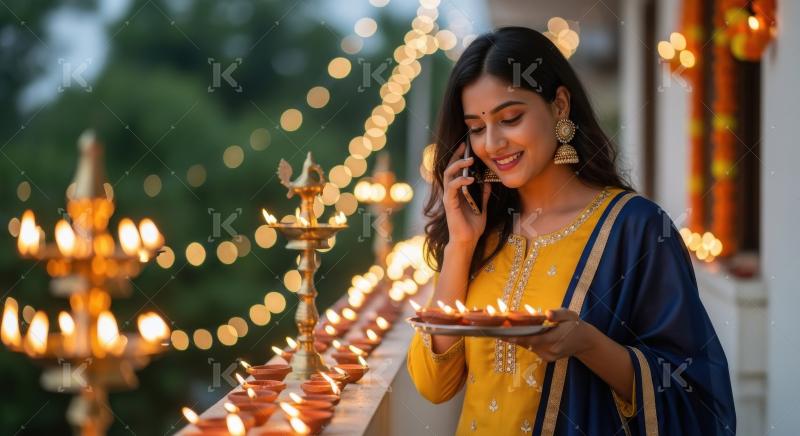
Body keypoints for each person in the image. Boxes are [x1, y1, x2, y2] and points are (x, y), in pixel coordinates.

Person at [406, 26, 735, 435]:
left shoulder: (636, 228)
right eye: (475, 127)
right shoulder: (481, 233)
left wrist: (587, 343)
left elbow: (694, 392)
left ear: (559, 104)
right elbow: (434, 385)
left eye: (511, 118)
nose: (492, 144)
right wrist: (460, 244)